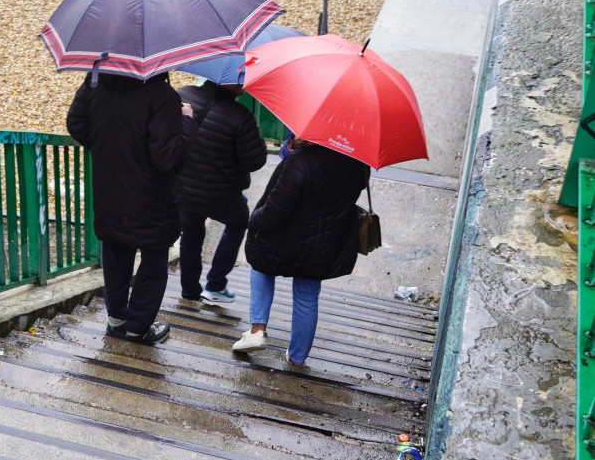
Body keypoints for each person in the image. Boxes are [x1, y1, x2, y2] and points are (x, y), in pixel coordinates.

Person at [66, 71, 194, 345]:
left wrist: (109, 146)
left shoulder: (96, 80)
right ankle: (137, 328)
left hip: (109, 188)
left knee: (115, 255)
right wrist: (186, 122)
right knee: (153, 264)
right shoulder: (163, 96)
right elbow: (167, 157)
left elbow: (76, 124)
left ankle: (116, 322)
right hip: (153, 199)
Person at [232, 137, 370, 364]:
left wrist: (255, 218)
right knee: (307, 296)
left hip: (284, 238)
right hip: (324, 243)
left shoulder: (300, 162)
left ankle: (257, 330)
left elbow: (275, 211)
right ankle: (297, 357)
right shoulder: (357, 164)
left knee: (261, 267)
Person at [176, 80, 267, 303]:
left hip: (184, 187)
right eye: (241, 82)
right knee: (237, 224)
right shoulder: (240, 115)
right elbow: (254, 161)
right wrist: (257, 137)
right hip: (222, 193)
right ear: (230, 84)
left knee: (190, 235)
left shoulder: (183, 94)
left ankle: (189, 291)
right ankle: (215, 284)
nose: (244, 86)